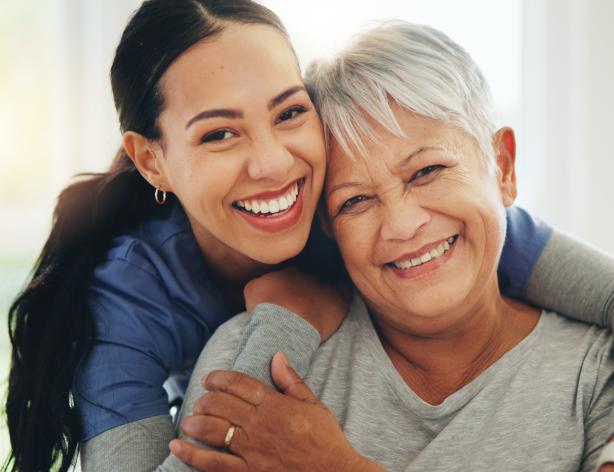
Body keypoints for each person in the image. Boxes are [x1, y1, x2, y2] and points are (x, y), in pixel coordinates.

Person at [4, 1, 611, 471]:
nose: (274, 164)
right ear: (152, 160)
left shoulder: (395, 213)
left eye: (289, 112)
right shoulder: (128, 307)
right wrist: (282, 327)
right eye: (219, 133)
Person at [166, 21, 614, 472]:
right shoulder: (257, 354)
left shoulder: (596, 370)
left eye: (427, 171)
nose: (401, 226)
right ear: (327, 224)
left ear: (503, 167)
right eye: (356, 201)